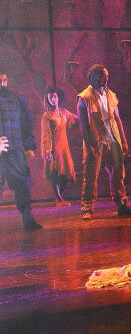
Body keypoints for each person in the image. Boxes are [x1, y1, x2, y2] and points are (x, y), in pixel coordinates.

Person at [77, 64, 131, 220]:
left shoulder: (111, 94)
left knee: (118, 173)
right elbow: (83, 125)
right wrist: (89, 144)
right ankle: (87, 208)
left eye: (107, 76)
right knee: (91, 175)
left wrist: (123, 141)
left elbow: (117, 119)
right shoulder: (84, 97)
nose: (105, 79)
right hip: (95, 141)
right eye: (102, 75)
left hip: (112, 138)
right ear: (94, 76)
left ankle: (122, 204)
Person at [0, 71, 42, 230]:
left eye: (4, 80)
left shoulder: (15, 100)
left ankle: (27, 219)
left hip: (14, 149)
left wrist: (29, 146)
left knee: (23, 184)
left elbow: (25, 124)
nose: (2, 84)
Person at [40, 87, 77, 206]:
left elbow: (76, 117)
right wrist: (47, 151)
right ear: (47, 99)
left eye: (54, 97)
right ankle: (59, 199)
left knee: (67, 172)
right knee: (54, 172)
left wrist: (86, 113)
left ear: (58, 98)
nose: (53, 99)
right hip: (54, 148)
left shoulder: (64, 112)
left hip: (64, 147)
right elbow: (45, 134)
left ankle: (59, 196)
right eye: (50, 98)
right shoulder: (47, 116)